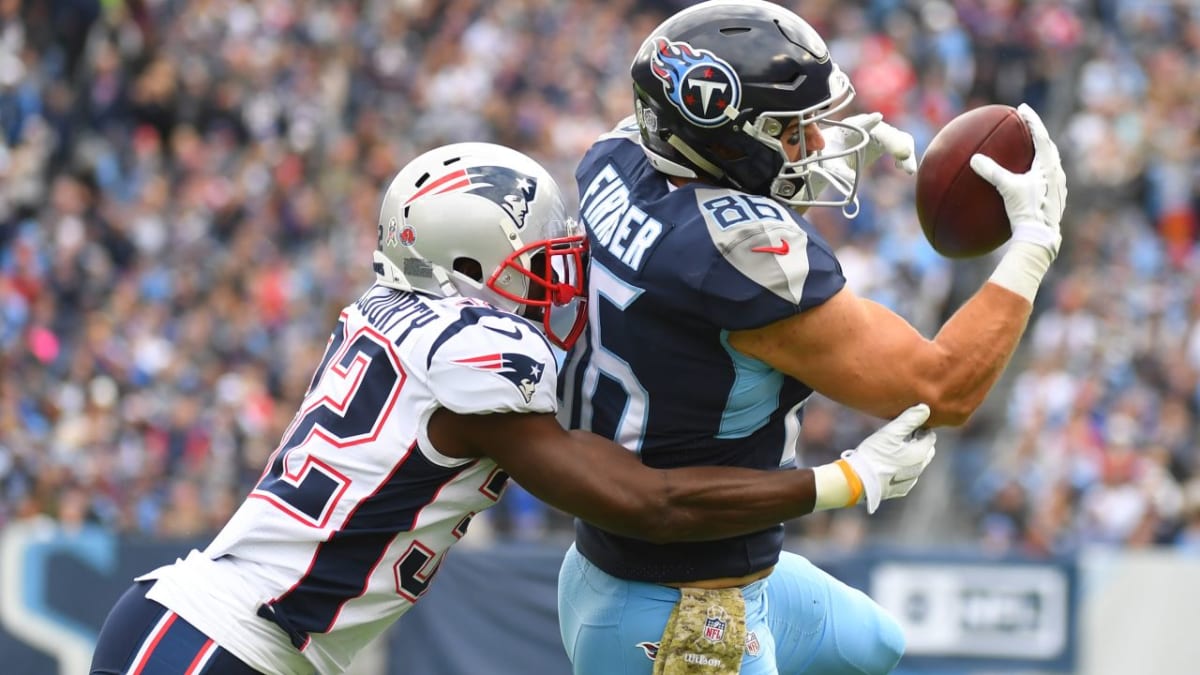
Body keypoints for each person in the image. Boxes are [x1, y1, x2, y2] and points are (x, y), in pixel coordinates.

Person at [88, 141, 938, 675]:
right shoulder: (476, 361)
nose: (557, 279)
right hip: (220, 643)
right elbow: (652, 500)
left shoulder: (396, 312)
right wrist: (844, 480)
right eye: (535, 265)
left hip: (236, 638)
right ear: (467, 266)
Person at [555, 1, 1067, 674]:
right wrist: (1033, 243)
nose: (819, 145)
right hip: (682, 615)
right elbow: (944, 386)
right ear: (731, 140)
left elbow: (692, 156)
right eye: (795, 131)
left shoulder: (617, 158)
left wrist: (789, 138)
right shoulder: (740, 256)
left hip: (631, 563)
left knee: (874, 643)